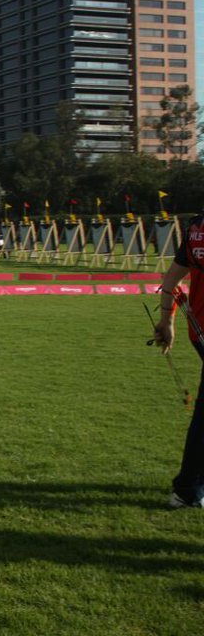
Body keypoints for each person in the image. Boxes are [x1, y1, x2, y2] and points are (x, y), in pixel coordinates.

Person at [152, 213, 204, 510]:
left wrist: (166, 321)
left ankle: (191, 485)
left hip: (199, 331)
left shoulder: (198, 226)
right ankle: (188, 488)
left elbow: (171, 278)